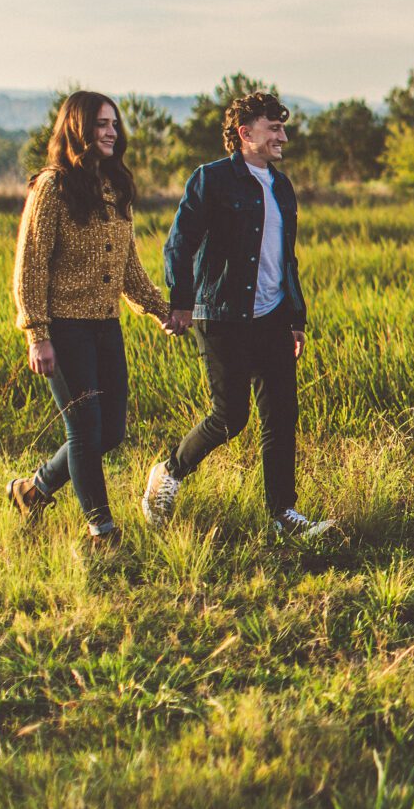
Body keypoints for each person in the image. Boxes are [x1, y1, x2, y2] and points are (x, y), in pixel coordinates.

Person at [142, 90, 331, 540]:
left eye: (283, 127)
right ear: (245, 134)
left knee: (282, 416)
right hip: (222, 315)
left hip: (271, 317)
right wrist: (182, 301)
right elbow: (179, 243)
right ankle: (168, 472)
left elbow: (287, 258)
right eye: (274, 128)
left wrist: (296, 318)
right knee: (231, 417)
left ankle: (282, 513)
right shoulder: (211, 179)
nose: (283, 136)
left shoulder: (281, 186)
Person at [8, 91, 179, 546]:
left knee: (110, 432)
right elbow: (31, 264)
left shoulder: (115, 186)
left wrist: (162, 311)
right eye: (101, 124)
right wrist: (37, 335)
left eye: (114, 124)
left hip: (106, 326)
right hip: (63, 329)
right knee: (84, 429)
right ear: (77, 128)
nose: (111, 132)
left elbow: (128, 267)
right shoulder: (52, 186)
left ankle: (34, 489)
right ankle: (101, 530)